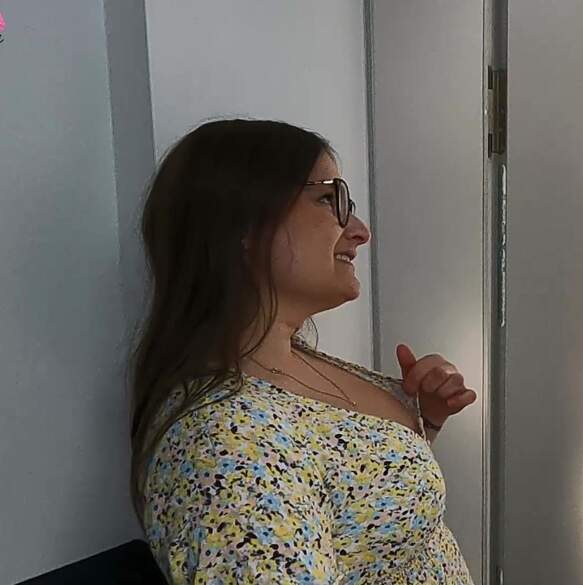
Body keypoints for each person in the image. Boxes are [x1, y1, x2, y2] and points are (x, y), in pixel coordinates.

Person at [128, 119, 478, 584]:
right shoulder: (228, 448)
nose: (359, 231)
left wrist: (425, 420)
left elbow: (352, 502)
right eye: (329, 199)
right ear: (243, 223)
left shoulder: (293, 360)